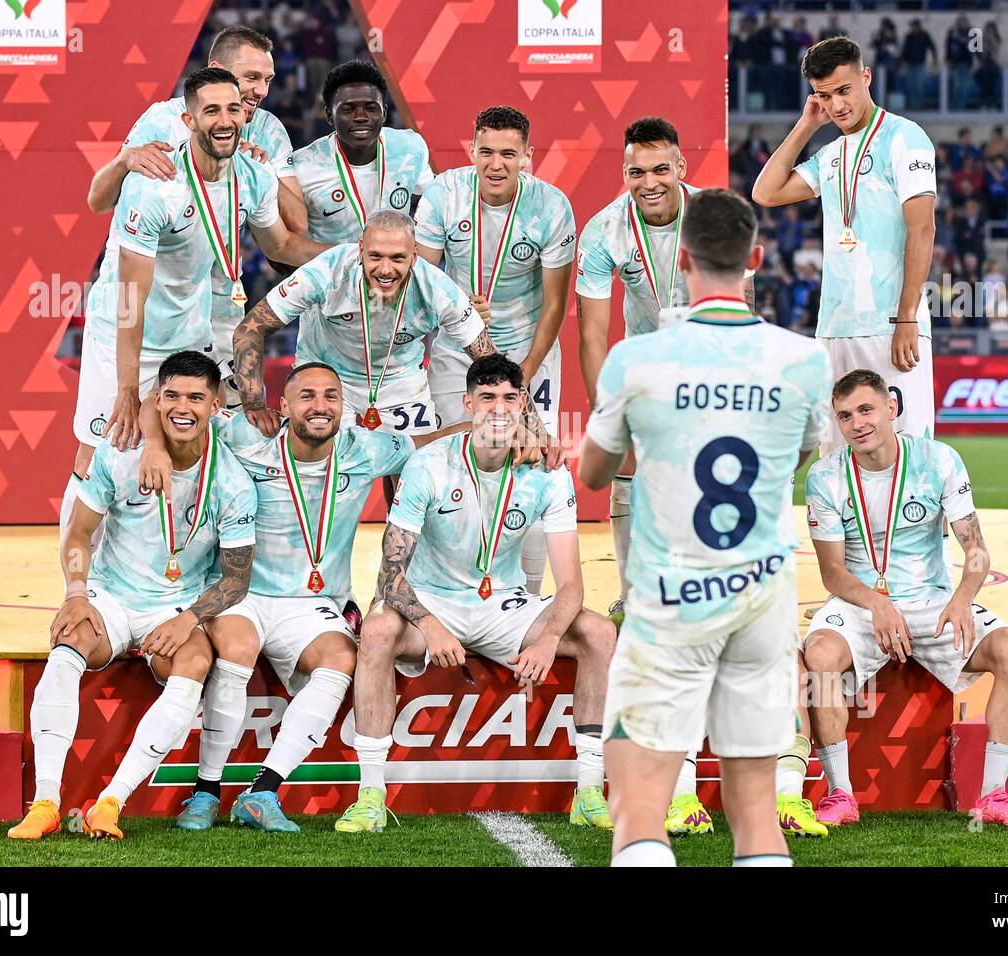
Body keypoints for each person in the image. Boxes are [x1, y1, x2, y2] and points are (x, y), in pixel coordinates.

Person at [578, 188, 832, 866]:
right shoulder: (804, 360)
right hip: (762, 600)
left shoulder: (638, 359)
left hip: (671, 598)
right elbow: (800, 455)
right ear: (754, 260)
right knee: (754, 814)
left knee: (640, 810)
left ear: (683, 259)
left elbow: (596, 474)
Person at [138, 362, 469, 831]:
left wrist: (492, 425)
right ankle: (205, 792)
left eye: (331, 396)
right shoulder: (243, 438)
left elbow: (425, 444)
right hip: (243, 592)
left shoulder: (366, 450)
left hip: (312, 604)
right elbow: (173, 410)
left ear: (343, 407)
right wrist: (151, 442)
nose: (320, 406)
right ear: (285, 406)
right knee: (236, 651)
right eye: (307, 396)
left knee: (341, 662)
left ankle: (262, 793)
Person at [334, 355, 617, 834]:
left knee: (598, 630)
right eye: (487, 398)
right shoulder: (429, 464)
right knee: (380, 629)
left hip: (503, 604)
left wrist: (548, 638)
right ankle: (370, 795)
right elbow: (389, 576)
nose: (499, 410)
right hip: (432, 601)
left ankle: (589, 790)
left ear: (524, 404)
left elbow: (570, 584)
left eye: (510, 398)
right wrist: (429, 623)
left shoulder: (547, 471)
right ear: (467, 404)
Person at [62, 68, 322, 542]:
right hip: (126, 338)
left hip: (188, 334)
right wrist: (126, 388)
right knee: (102, 450)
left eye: (234, 109)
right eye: (212, 111)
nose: (226, 120)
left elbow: (283, 245)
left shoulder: (253, 177)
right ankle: (79, 591)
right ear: (189, 120)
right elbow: (129, 298)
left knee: (201, 444)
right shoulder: (155, 185)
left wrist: (352, 255)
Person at [8, 352, 258, 840]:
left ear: (216, 403)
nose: (182, 408)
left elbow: (235, 580)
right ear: (156, 399)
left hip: (178, 603)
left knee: (193, 663)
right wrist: (76, 594)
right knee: (67, 640)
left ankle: (111, 803)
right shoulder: (120, 454)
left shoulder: (232, 481)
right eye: (171, 396)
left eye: (195, 397)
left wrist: (188, 619)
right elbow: (78, 534)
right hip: (112, 595)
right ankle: (45, 802)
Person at [575, 115, 735, 836]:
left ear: (681, 165)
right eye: (635, 172)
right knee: (631, 475)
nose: (647, 183)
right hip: (647, 373)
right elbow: (591, 327)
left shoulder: (718, 217)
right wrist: (612, 408)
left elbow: (741, 305)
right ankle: (633, 591)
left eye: (659, 170)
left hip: (707, 367)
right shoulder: (605, 230)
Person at [802, 369, 1008, 829]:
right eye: (845, 416)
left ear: (891, 407)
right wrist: (877, 604)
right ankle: (840, 795)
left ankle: (993, 794)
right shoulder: (825, 476)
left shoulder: (939, 460)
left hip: (933, 600)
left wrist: (963, 598)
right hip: (860, 604)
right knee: (819, 655)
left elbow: (976, 550)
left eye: (866, 410)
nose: (857, 424)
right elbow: (832, 573)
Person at [86, 27, 315, 411]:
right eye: (252, 78)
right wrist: (125, 161)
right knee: (116, 441)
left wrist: (255, 169)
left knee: (216, 432)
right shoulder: (163, 119)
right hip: (145, 308)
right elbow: (98, 201)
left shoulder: (269, 130)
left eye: (268, 80)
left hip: (217, 308)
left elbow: (295, 228)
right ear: (216, 71)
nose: (261, 90)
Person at [415, 105, 575, 595]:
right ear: (472, 151)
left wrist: (520, 377)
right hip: (456, 351)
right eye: (486, 152)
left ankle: (526, 593)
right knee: (453, 460)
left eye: (509, 153)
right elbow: (422, 278)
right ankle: (449, 586)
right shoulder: (444, 193)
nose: (496, 163)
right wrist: (458, 310)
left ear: (528, 156)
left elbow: (554, 306)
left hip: (530, 352)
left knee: (529, 460)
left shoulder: (551, 206)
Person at [752, 36, 938, 458]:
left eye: (843, 90)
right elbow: (765, 192)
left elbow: (922, 228)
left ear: (866, 77)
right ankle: (845, 528)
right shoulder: (831, 153)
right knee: (837, 452)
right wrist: (806, 125)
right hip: (835, 325)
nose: (836, 105)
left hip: (890, 323)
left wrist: (906, 315)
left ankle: (915, 526)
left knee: (906, 448)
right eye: (823, 95)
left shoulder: (905, 138)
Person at [231, 212, 494, 441]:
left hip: (400, 381)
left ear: (414, 256)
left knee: (414, 469)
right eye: (375, 256)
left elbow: (492, 362)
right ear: (360, 250)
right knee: (324, 467)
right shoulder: (328, 271)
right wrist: (254, 404)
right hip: (325, 375)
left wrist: (528, 425)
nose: (385, 269)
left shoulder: (438, 289)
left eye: (397, 258)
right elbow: (250, 328)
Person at [288, 60, 434, 246]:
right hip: (331, 274)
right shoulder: (301, 167)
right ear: (329, 115)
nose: (360, 117)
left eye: (371, 108)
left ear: (385, 113)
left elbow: (433, 201)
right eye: (348, 110)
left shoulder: (410, 147)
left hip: (393, 271)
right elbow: (286, 245)